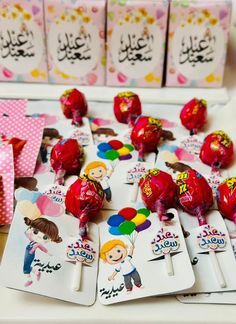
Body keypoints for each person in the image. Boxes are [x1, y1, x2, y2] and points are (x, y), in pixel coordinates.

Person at [23, 217, 62, 287]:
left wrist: (47, 252)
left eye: (45, 237)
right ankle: (37, 272)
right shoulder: (33, 240)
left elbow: (42, 248)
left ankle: (29, 280)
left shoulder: (37, 244)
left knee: (25, 266)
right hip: (27, 252)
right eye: (36, 232)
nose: (39, 236)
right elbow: (27, 234)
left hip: (30, 254)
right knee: (27, 265)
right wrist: (28, 230)